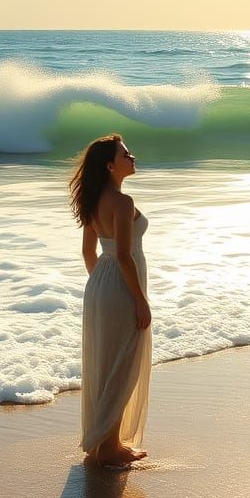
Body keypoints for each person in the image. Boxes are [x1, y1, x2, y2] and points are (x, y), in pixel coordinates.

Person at [69, 133, 152, 467]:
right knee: (123, 364)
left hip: (100, 287)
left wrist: (101, 288)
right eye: (125, 154)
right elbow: (123, 256)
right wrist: (139, 299)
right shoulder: (123, 202)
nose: (132, 157)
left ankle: (108, 443)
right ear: (109, 165)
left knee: (108, 364)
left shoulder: (94, 200)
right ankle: (111, 449)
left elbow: (89, 251)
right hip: (119, 285)